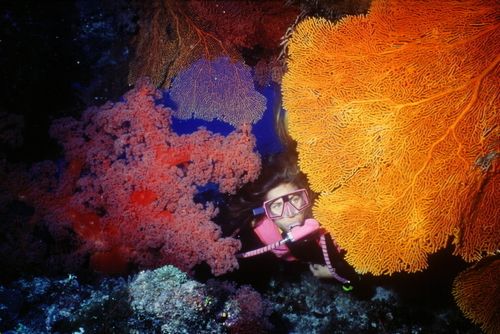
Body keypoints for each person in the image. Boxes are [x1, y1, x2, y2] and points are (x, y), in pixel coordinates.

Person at [224, 151, 356, 289]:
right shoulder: (268, 235)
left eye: (295, 199)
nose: (290, 213)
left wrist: (339, 271)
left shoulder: (333, 220)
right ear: (266, 213)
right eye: (276, 206)